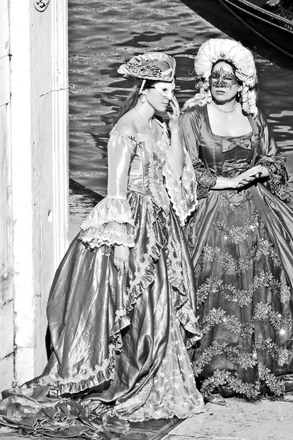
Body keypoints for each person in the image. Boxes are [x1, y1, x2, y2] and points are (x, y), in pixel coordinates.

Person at [0, 52, 203, 438]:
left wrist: (177, 128)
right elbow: (115, 191)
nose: (170, 95)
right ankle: (129, 375)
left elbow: (175, 173)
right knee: (137, 306)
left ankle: (160, 377)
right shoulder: (125, 129)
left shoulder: (159, 126)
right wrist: (123, 244)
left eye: (172, 88)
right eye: (163, 89)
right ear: (144, 90)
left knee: (162, 306)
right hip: (133, 225)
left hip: (161, 224)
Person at [179, 38, 293, 402]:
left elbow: (273, 158)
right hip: (212, 209)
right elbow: (185, 168)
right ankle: (212, 365)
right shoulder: (192, 118)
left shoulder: (253, 116)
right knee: (214, 279)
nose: (221, 83)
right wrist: (227, 182)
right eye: (215, 77)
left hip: (257, 205)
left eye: (228, 78)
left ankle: (269, 361)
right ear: (206, 79)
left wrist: (258, 170)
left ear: (241, 82)